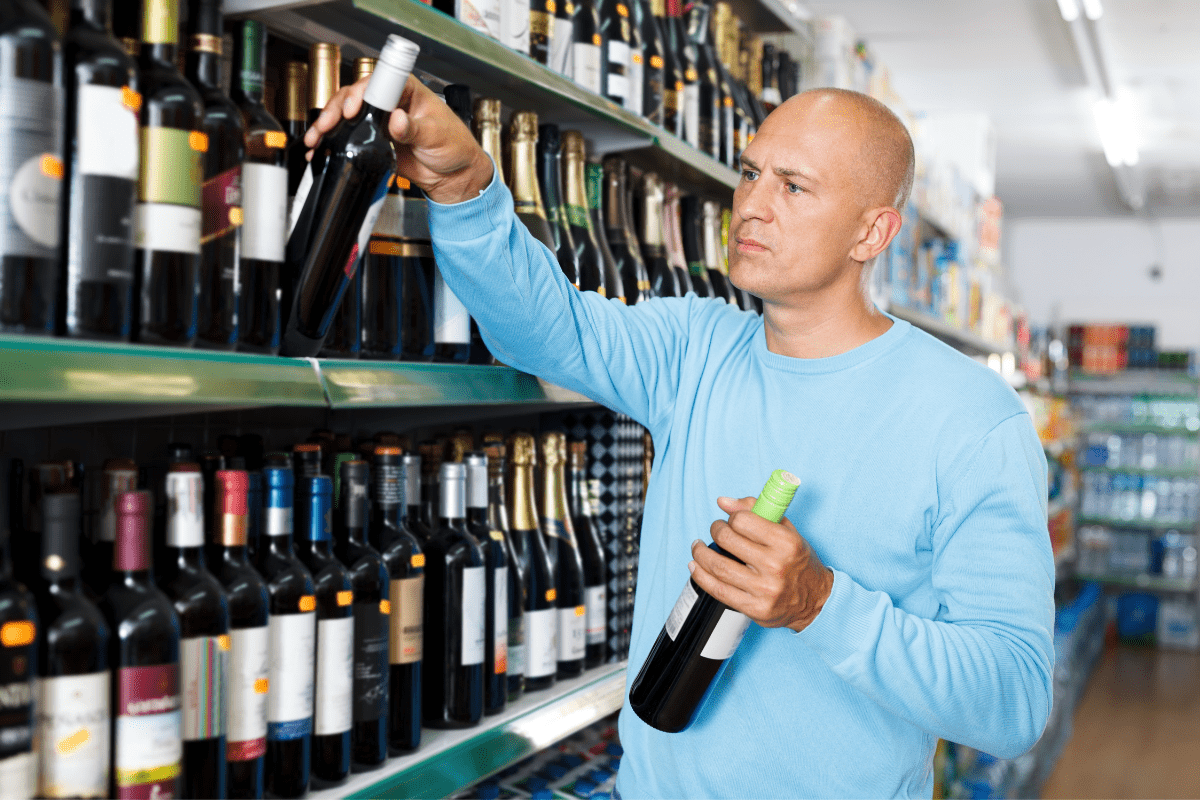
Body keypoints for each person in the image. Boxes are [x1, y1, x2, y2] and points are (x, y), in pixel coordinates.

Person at [307, 77, 1054, 798]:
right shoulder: (695, 348)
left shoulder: (970, 419)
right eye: (751, 172)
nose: (753, 206)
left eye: (794, 187)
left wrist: (818, 603)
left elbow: (1013, 702)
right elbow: (545, 328)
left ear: (872, 232)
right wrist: (465, 183)